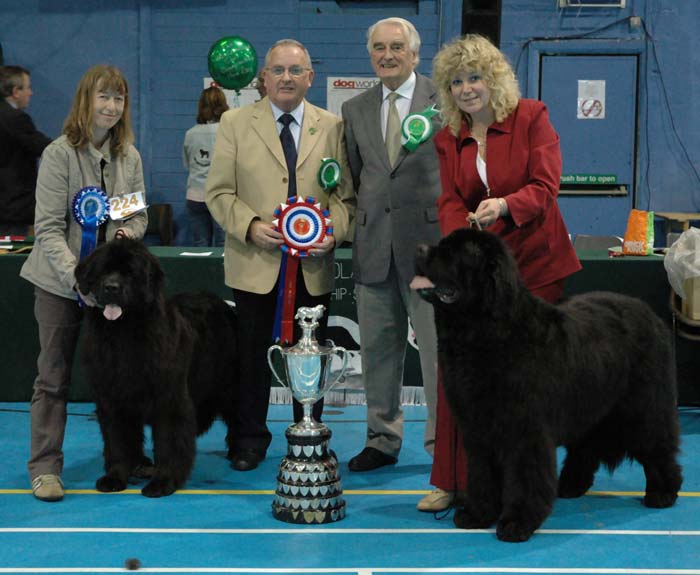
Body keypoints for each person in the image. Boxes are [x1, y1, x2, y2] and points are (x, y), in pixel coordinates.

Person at [416, 34, 581, 512]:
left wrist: (506, 205)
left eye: (475, 78)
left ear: (494, 80)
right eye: (456, 82)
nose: (467, 88)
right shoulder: (448, 137)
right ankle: (451, 479)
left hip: (537, 266)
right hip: (481, 278)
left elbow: (546, 187)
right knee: (463, 375)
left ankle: (521, 484)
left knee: (526, 384)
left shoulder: (532, 116)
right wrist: (463, 243)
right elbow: (450, 199)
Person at [205, 39, 355, 472]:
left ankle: (308, 433)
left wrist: (334, 232)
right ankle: (249, 439)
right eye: (278, 70)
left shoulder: (333, 126)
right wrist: (251, 227)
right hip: (254, 265)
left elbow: (346, 199)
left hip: (313, 267)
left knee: (310, 358)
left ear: (311, 78)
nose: (286, 78)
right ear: (263, 78)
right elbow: (218, 192)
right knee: (251, 357)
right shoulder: (234, 123)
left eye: (296, 70)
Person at [20, 64, 148, 502]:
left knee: (121, 378)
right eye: (104, 97)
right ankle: (44, 468)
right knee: (52, 378)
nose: (112, 107)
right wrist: (79, 280)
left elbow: (136, 214)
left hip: (111, 293)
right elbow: (49, 228)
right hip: (60, 286)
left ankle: (126, 457)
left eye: (119, 99)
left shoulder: (128, 156)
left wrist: (130, 230)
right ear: (85, 101)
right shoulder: (59, 154)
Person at [341, 17, 441, 472]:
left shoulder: (443, 101)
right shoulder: (355, 108)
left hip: (432, 252)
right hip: (374, 248)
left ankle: (443, 445)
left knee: (440, 354)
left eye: (397, 47)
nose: (387, 55)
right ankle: (382, 439)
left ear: (415, 54)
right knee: (378, 352)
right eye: (379, 47)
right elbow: (360, 177)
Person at [0, 65, 51, 236]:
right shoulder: (15, 119)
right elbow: (45, 148)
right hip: (12, 209)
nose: (31, 93)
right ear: (16, 92)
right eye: (28, 88)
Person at [183, 86, 229, 246]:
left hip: (195, 196)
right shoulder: (227, 131)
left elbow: (187, 164)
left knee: (200, 246)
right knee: (223, 245)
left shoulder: (190, 133)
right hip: (220, 196)